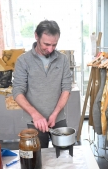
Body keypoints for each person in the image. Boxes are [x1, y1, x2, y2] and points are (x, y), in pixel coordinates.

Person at [12, 20, 72, 148]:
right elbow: (17, 91)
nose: (50, 49)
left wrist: (55, 113)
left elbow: (66, 88)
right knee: (40, 157)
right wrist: (35, 114)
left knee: (64, 156)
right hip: (35, 121)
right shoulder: (23, 61)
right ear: (36, 36)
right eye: (46, 44)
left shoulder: (63, 60)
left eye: (54, 45)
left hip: (58, 117)